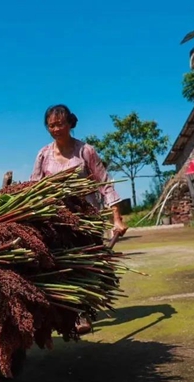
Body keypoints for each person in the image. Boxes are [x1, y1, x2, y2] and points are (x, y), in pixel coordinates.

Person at [30, 104, 127, 334]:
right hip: (55, 220)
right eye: (51, 125)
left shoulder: (85, 152)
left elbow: (105, 184)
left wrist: (117, 218)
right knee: (56, 266)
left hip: (85, 220)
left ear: (70, 124)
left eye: (60, 124)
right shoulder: (43, 154)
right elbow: (33, 187)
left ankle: (82, 311)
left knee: (84, 265)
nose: (55, 129)